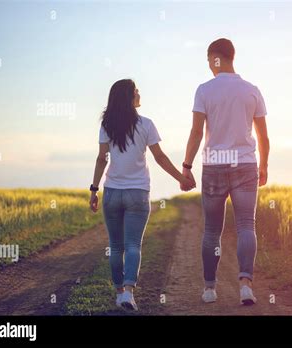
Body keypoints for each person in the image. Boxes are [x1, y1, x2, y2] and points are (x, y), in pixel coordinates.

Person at [89, 79, 195, 311]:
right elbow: (160, 157)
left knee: (116, 247)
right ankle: (128, 293)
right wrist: (181, 178)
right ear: (128, 97)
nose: (139, 94)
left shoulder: (107, 125)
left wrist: (94, 189)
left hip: (112, 193)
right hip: (138, 193)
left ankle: (119, 294)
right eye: (136, 91)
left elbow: (101, 159)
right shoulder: (146, 124)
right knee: (134, 245)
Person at [181, 38, 270, 305]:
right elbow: (263, 137)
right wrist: (263, 165)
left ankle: (209, 289)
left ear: (215, 58)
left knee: (211, 230)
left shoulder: (204, 90)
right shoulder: (251, 90)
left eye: (209, 60)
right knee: (246, 225)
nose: (209, 65)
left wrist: (186, 166)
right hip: (245, 165)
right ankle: (245, 286)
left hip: (215, 165)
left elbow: (197, 132)